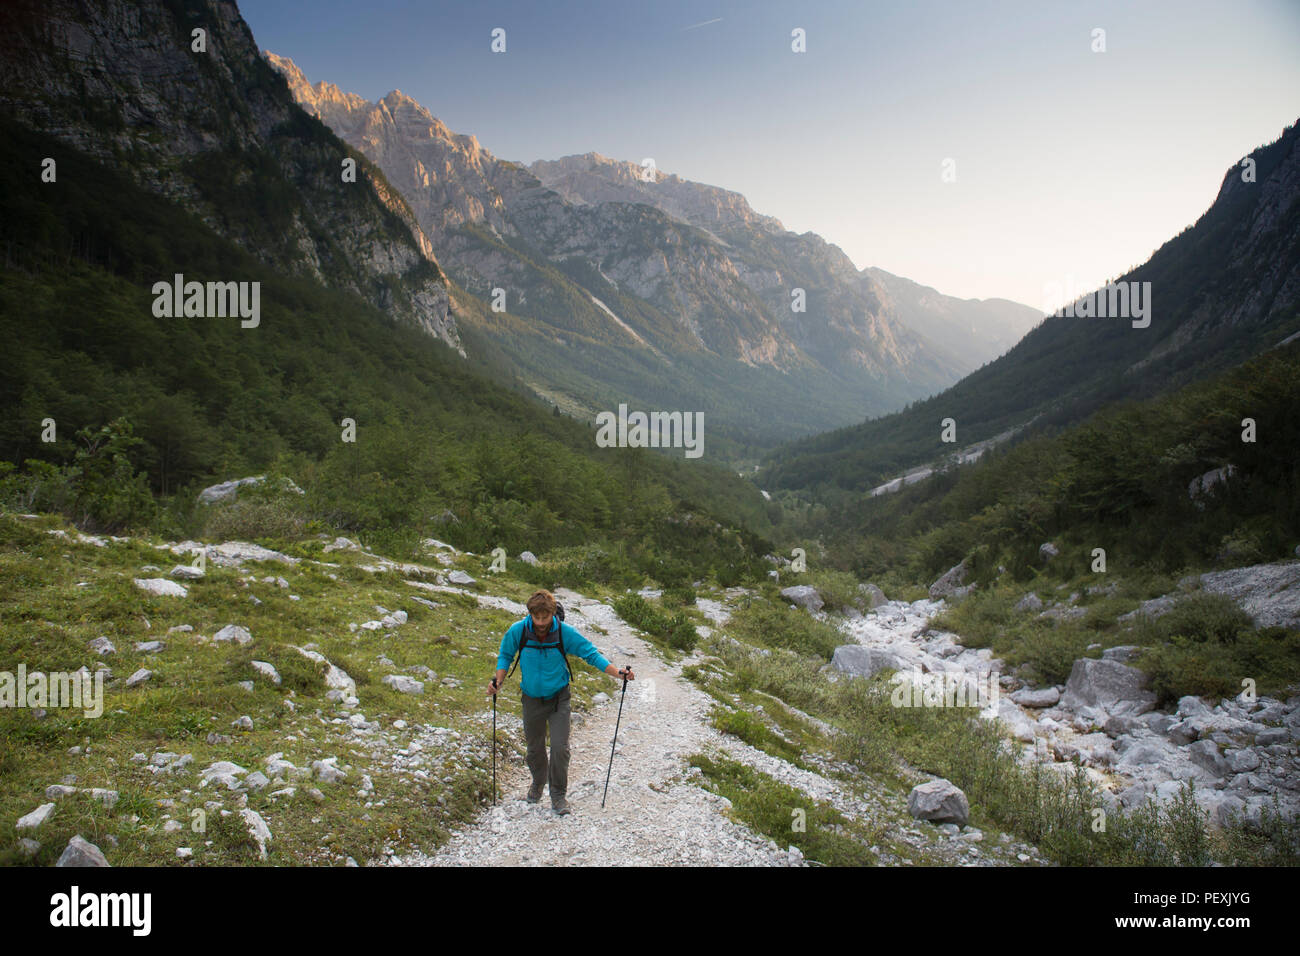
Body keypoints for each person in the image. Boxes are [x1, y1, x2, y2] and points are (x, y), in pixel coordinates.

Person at [487, 589, 633, 815]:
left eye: (546, 617)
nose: (542, 622)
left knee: (560, 748)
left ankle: (558, 794)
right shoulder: (519, 631)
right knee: (534, 749)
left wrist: (617, 673)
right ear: (531, 614)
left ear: (553, 614)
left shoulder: (564, 633)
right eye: (537, 617)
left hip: (559, 699)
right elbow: (505, 655)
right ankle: (538, 782)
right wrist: (498, 681)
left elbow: (590, 653)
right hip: (531, 699)